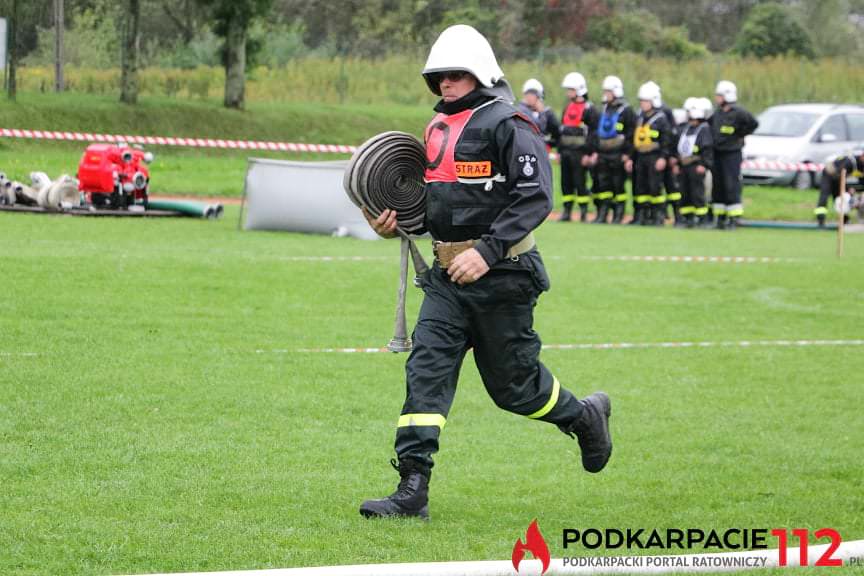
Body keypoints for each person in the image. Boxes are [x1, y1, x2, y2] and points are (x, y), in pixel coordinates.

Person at [358, 24, 613, 521]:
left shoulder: (511, 123)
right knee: (425, 372)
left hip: (506, 276)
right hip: (447, 280)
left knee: (515, 389)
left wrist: (489, 251)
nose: (446, 83)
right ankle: (412, 488)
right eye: (438, 76)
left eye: (456, 74)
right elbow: (436, 204)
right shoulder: (435, 129)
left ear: (480, 74)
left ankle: (584, 417)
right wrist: (395, 225)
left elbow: (536, 196)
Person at [710, 80, 758, 230]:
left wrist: (740, 135)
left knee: (731, 185)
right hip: (717, 153)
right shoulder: (717, 113)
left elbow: (753, 124)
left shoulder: (739, 112)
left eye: (719, 95)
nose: (717, 98)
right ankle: (720, 217)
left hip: (731, 154)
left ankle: (733, 218)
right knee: (718, 186)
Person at [627, 81, 673, 226]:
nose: (642, 104)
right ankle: (642, 215)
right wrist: (630, 159)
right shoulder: (640, 118)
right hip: (640, 157)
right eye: (641, 101)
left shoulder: (661, 119)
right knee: (640, 187)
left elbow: (666, 140)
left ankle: (657, 215)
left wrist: (663, 158)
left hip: (654, 156)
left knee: (655, 187)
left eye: (645, 101)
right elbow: (634, 140)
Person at [557, 72, 599, 222]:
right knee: (566, 182)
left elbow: (594, 133)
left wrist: (589, 153)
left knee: (580, 182)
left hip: (581, 154)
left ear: (579, 89)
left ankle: (583, 212)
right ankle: (567, 211)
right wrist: (559, 151)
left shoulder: (590, 109)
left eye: (571, 89)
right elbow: (561, 131)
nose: (568, 93)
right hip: (566, 152)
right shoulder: (567, 107)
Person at [593, 75, 636, 224]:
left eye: (608, 91)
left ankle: (619, 214)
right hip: (604, 153)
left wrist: (627, 154)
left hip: (619, 154)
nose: (605, 94)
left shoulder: (627, 110)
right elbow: (597, 133)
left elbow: (631, 134)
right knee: (604, 184)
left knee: (618, 184)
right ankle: (603, 213)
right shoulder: (604, 108)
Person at [676, 97, 714, 228]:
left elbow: (707, 149)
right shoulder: (686, 128)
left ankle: (702, 218)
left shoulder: (704, 129)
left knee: (697, 193)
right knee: (685, 192)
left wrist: (704, 164)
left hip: (696, 166)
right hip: (684, 166)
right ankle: (688, 217)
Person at [814, 151, 864, 227]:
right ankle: (821, 221)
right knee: (824, 196)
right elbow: (841, 175)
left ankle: (844, 220)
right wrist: (848, 189)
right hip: (829, 173)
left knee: (840, 198)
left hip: (839, 178)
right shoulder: (851, 162)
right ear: (862, 156)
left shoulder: (861, 165)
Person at [518, 78, 560, 152]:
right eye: (538, 97)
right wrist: (542, 113)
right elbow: (538, 129)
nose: (539, 100)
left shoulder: (527, 110)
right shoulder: (522, 111)